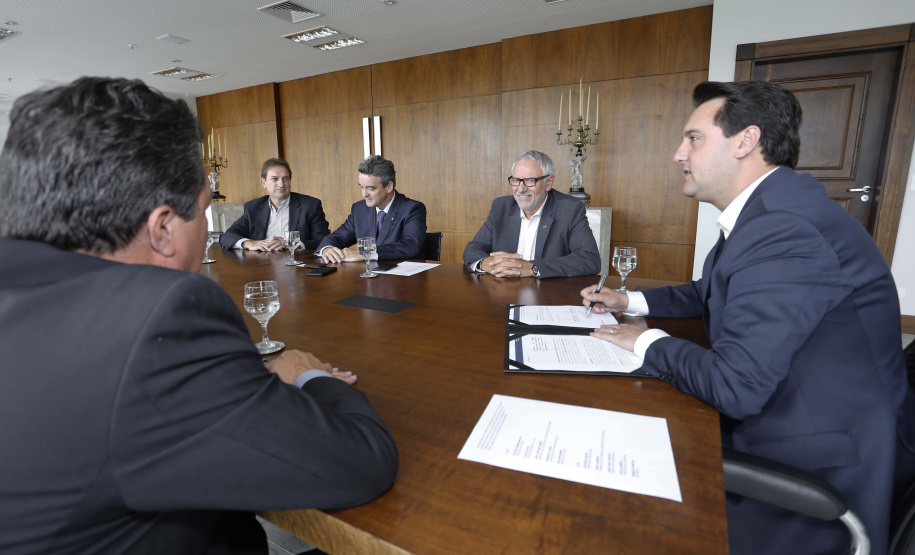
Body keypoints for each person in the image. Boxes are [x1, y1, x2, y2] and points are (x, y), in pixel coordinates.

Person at [0, 77, 398, 554]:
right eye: (205, 213)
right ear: (164, 228)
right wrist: (307, 373)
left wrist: (235, 378)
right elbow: (361, 463)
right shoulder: (160, 321)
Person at [581, 80, 915, 554]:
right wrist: (630, 303)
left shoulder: (783, 226)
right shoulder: (772, 209)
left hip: (820, 466)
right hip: (802, 416)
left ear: (746, 141)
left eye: (693, 138)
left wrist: (644, 341)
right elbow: (711, 290)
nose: (679, 153)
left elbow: (735, 386)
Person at [463, 150, 600, 278]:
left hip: (548, 296)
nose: (521, 189)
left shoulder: (569, 209)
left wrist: (533, 268)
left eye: (530, 181)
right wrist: (486, 263)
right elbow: (473, 248)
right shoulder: (501, 207)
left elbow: (589, 259)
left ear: (549, 182)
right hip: (503, 292)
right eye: (516, 180)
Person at [316, 155, 426, 263]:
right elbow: (338, 237)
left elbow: (411, 245)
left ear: (389, 187)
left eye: (371, 189)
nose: (364, 194)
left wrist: (365, 253)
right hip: (367, 276)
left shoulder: (413, 209)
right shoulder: (359, 209)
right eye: (361, 187)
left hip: (403, 278)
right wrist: (327, 249)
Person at [220, 158, 330, 251]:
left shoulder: (310, 205)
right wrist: (249, 243)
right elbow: (228, 236)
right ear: (263, 183)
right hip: (260, 267)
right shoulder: (253, 207)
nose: (281, 184)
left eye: (285, 178)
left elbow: (324, 241)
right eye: (274, 179)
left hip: (297, 266)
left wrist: (290, 244)